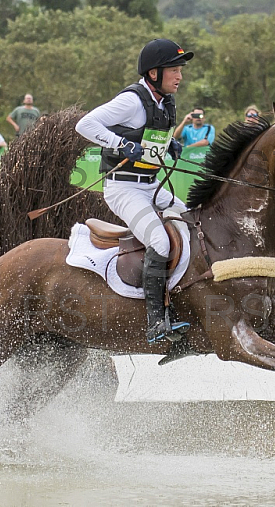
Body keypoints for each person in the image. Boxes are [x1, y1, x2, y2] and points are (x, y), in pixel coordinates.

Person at [74, 38, 192, 344]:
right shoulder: (132, 101)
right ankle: (156, 324)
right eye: (174, 70)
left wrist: (169, 143)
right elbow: (85, 125)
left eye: (180, 69)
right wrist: (121, 144)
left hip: (150, 185)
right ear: (154, 73)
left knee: (193, 222)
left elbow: (149, 137)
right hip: (123, 189)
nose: (180, 76)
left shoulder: (164, 101)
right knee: (159, 241)